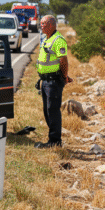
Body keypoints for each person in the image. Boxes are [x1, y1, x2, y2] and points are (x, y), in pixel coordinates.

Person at [35, 15, 73, 148]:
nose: (42, 26)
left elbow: (63, 60)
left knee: (53, 110)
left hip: (53, 81)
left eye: (44, 23)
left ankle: (55, 141)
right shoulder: (46, 38)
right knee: (47, 110)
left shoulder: (58, 40)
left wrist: (64, 77)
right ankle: (52, 139)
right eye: (41, 23)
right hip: (45, 81)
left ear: (52, 25)